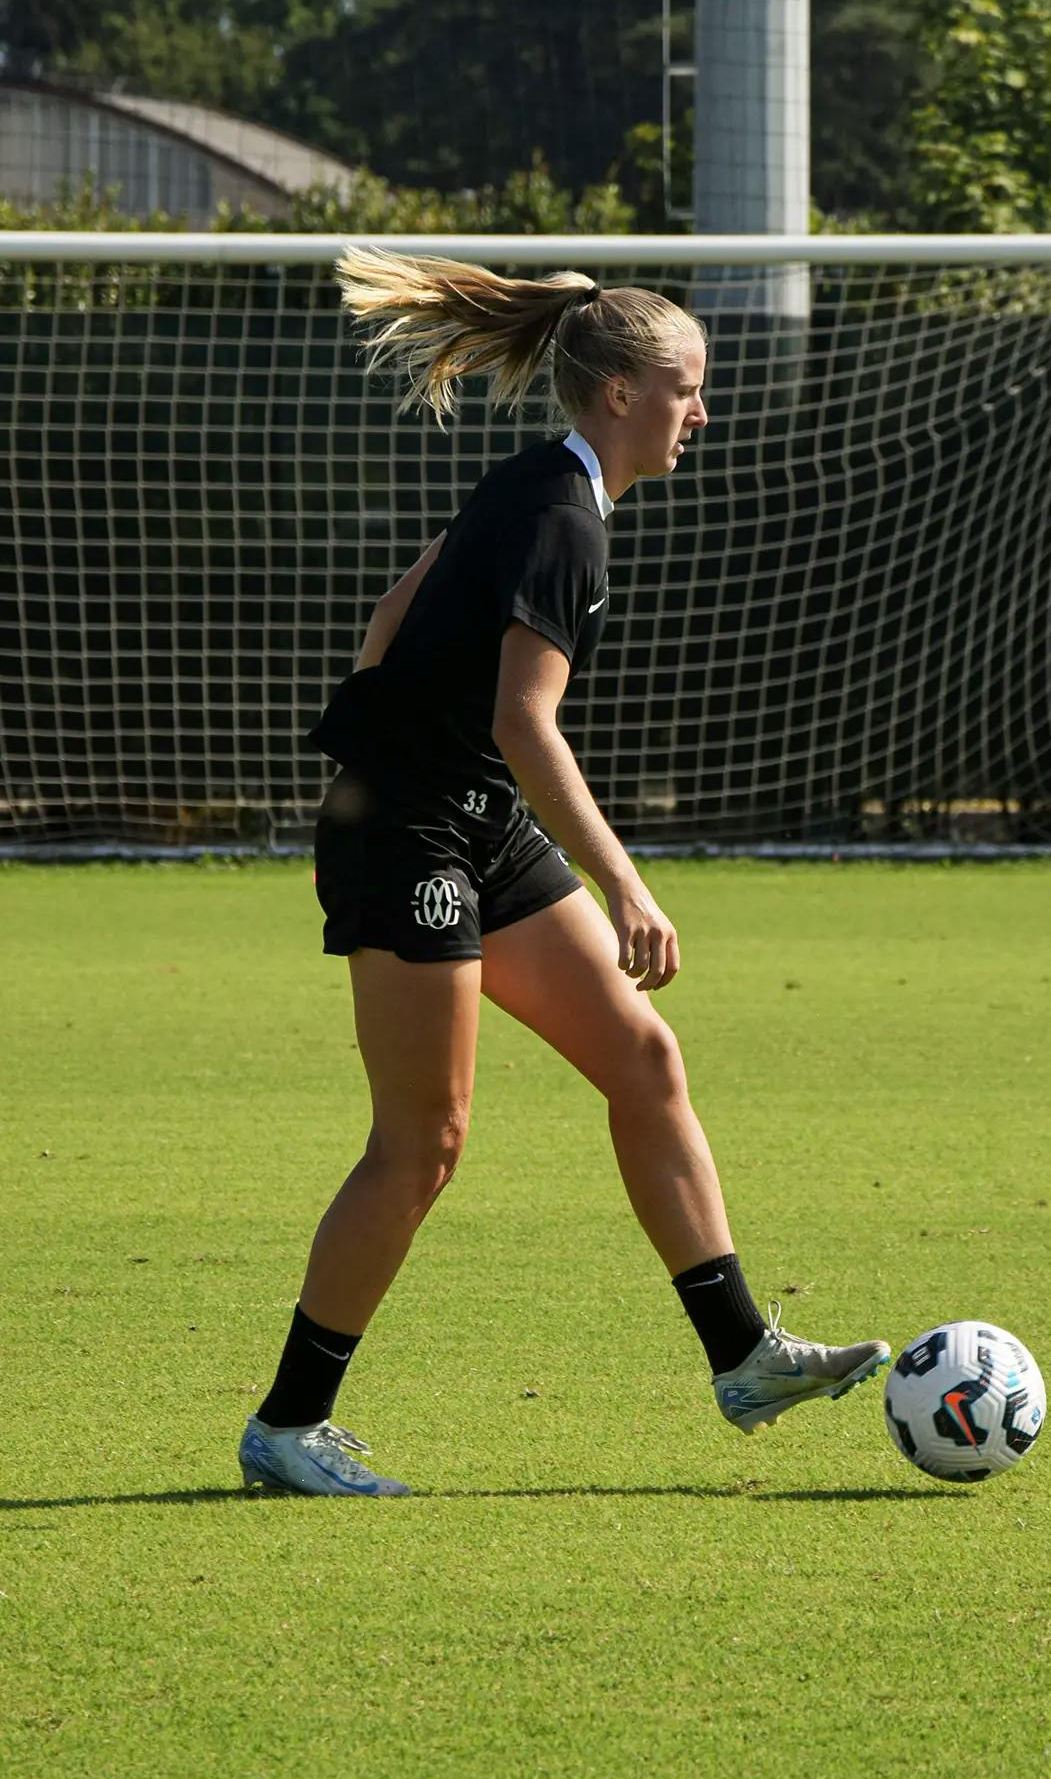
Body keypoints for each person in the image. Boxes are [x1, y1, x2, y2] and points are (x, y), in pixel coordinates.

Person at [238, 246, 888, 1497]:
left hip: (460, 815)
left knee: (643, 1058)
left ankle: (744, 1355)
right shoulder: (560, 517)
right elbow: (528, 723)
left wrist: (390, 726)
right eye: (688, 388)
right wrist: (627, 886)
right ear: (620, 395)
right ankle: (286, 1427)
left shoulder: (545, 486)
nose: (704, 411)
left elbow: (398, 606)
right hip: (416, 835)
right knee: (423, 1141)